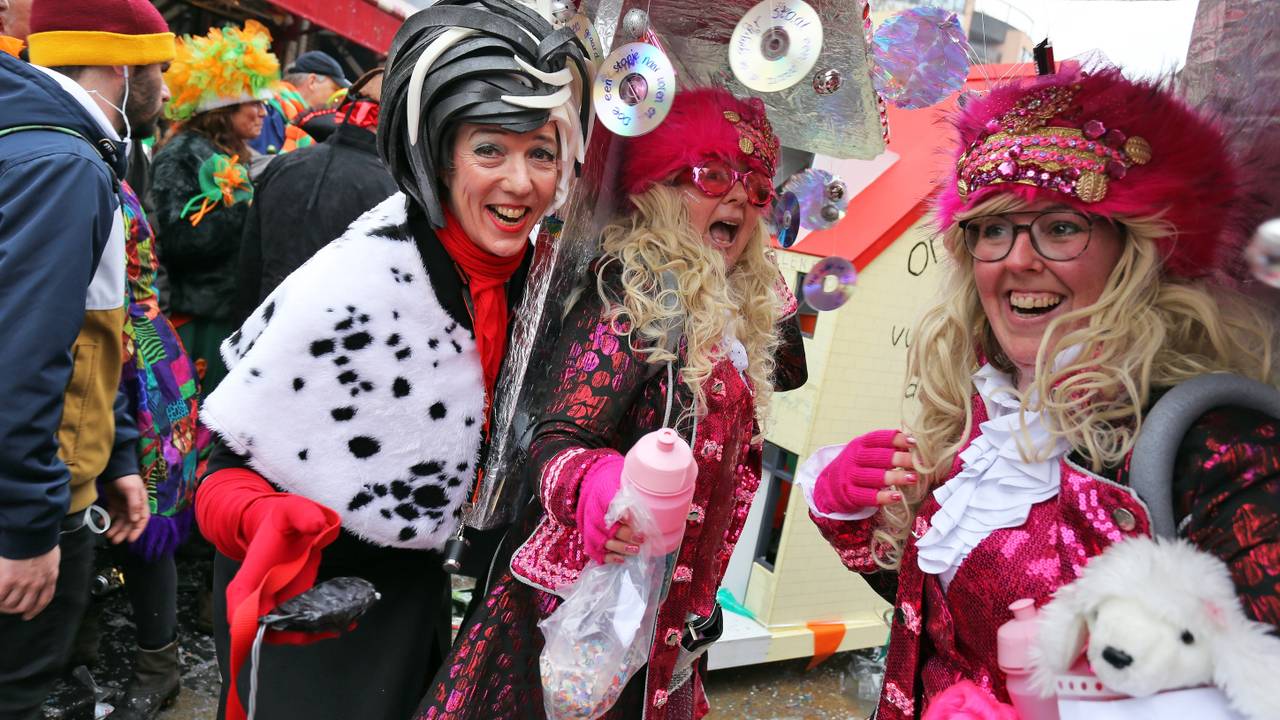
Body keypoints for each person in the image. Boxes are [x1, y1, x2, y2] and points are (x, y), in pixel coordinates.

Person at [801, 63, 1279, 720]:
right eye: (994, 228)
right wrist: (846, 508)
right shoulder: (980, 412)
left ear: (1133, 250)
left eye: (1060, 226)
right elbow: (942, 613)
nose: (1019, 259)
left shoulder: (1221, 452)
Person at [192, 1, 591, 718]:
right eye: (490, 151)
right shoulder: (357, 282)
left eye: (541, 152)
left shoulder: (541, 283)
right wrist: (265, 518)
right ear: (440, 155)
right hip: (316, 610)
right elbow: (219, 468)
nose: (522, 182)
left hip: (422, 599)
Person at [416, 86, 809, 720]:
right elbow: (554, 434)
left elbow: (790, 369)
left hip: (663, 627)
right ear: (658, 188)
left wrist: (761, 275)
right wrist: (598, 485)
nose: (737, 196)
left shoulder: (731, 308)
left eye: (756, 186)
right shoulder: (633, 289)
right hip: (578, 619)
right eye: (711, 175)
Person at [0, 0, 174, 714]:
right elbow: (26, 353)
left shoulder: (43, 141)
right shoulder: (65, 163)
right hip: (36, 504)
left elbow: (94, 333)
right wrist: (28, 527)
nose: (165, 90)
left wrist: (121, 455)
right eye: (161, 70)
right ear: (125, 67)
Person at [151, 20, 276, 399]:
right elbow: (182, 241)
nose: (262, 112)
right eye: (253, 102)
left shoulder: (229, 154)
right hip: (196, 320)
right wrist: (248, 210)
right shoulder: (182, 153)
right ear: (223, 105)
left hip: (226, 312)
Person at [234, 67, 396, 320]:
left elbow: (248, 270)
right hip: (333, 346)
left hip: (264, 334)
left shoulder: (283, 165)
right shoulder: (392, 192)